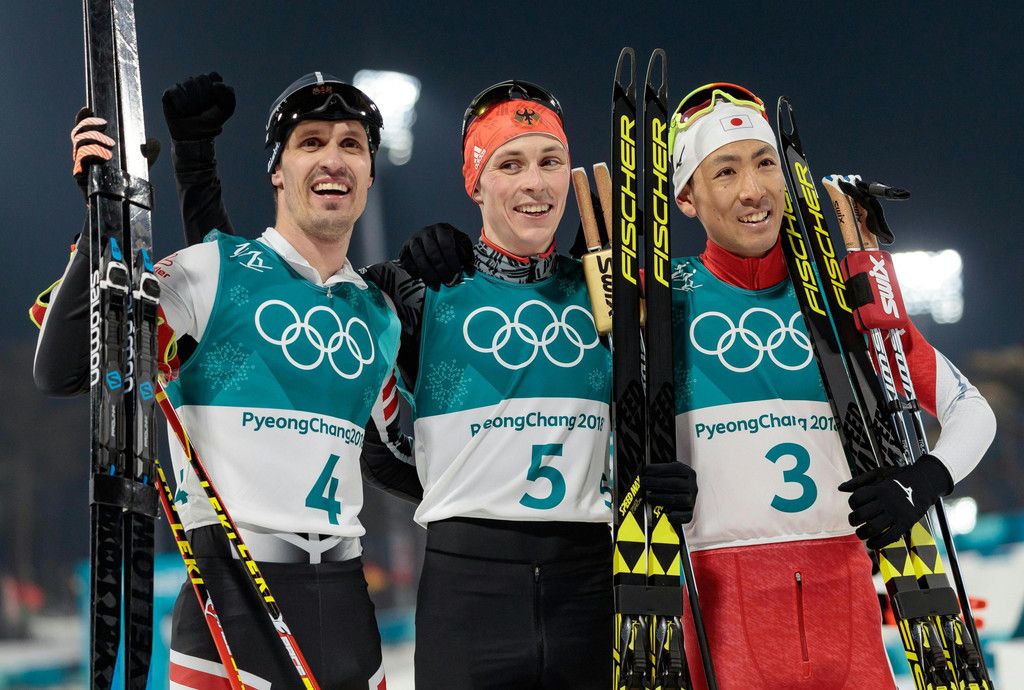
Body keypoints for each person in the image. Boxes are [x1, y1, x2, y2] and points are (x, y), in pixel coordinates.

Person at [157, 74, 697, 689]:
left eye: (551, 161)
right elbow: (245, 306)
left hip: (592, 587)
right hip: (466, 594)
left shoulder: (609, 293)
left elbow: (649, 417)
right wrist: (458, 484)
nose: (535, 182)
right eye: (509, 163)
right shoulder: (417, 294)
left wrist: (665, 479)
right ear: (475, 181)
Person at [33, 72, 424, 689]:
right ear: (277, 171)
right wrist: (104, 215)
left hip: (350, 612)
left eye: (352, 144)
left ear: (371, 173)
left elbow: (410, 458)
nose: (333, 159)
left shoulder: (378, 313)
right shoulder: (209, 270)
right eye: (311, 142)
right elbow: (64, 368)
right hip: (231, 604)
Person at [664, 83, 996, 689]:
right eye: (725, 171)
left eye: (765, 163)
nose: (753, 190)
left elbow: (973, 411)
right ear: (686, 196)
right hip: (722, 623)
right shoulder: (660, 300)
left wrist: (919, 482)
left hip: (847, 616)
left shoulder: (843, 299)